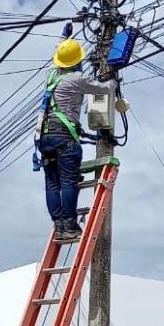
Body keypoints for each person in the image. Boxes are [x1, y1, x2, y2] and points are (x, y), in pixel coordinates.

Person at [36, 37, 114, 241]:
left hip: (44, 137)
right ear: (77, 61)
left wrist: (65, 41)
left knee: (52, 184)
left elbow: (59, 59)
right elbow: (103, 89)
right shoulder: (78, 79)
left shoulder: (51, 76)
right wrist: (113, 81)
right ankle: (69, 224)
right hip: (64, 137)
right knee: (69, 181)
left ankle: (59, 224)